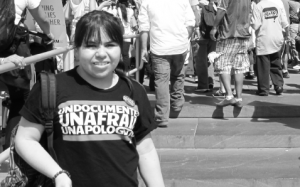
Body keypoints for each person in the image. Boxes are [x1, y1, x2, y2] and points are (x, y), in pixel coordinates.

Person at [15, 10, 164, 187]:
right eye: (91, 46)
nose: (101, 53)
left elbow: (145, 149)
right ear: (76, 50)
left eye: (110, 45)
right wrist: (58, 175)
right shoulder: (51, 87)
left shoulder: (134, 90)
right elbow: (24, 139)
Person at [0, 0, 55, 149]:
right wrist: (49, 34)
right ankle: (12, 155)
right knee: (19, 102)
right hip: (14, 52)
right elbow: (42, 19)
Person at [139, 0, 195, 127]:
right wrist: (184, 40)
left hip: (159, 46)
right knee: (178, 75)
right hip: (180, 45)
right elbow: (191, 23)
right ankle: (176, 105)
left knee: (161, 80)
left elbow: (144, 27)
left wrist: (143, 49)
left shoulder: (147, 2)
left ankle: (162, 116)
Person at [210, 0, 251, 107]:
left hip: (228, 34)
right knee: (239, 67)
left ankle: (229, 96)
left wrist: (214, 27)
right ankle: (238, 97)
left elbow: (221, 11)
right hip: (243, 34)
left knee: (222, 64)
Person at [251, 0, 289, 96]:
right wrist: (286, 36)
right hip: (277, 38)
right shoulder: (276, 5)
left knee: (263, 65)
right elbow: (285, 23)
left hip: (264, 38)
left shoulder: (258, 6)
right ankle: (279, 85)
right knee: (276, 63)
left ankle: (264, 89)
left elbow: (255, 25)